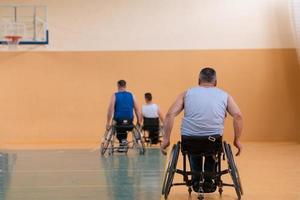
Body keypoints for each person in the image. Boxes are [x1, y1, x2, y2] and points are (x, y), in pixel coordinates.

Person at [161, 67, 243, 192]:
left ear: (199, 80)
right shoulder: (224, 95)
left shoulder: (186, 93)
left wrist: (166, 139)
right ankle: (209, 181)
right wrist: (237, 140)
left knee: (194, 147)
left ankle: (196, 179)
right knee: (212, 149)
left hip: (190, 141)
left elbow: (169, 115)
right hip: (213, 141)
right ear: (215, 82)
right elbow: (238, 116)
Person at [106, 80, 142, 151]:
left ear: (118, 86)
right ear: (125, 86)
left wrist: (108, 123)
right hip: (129, 121)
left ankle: (122, 141)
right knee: (125, 125)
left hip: (118, 121)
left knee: (115, 125)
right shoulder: (132, 95)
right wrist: (139, 121)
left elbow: (110, 110)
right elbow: (137, 110)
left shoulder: (114, 95)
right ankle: (124, 141)